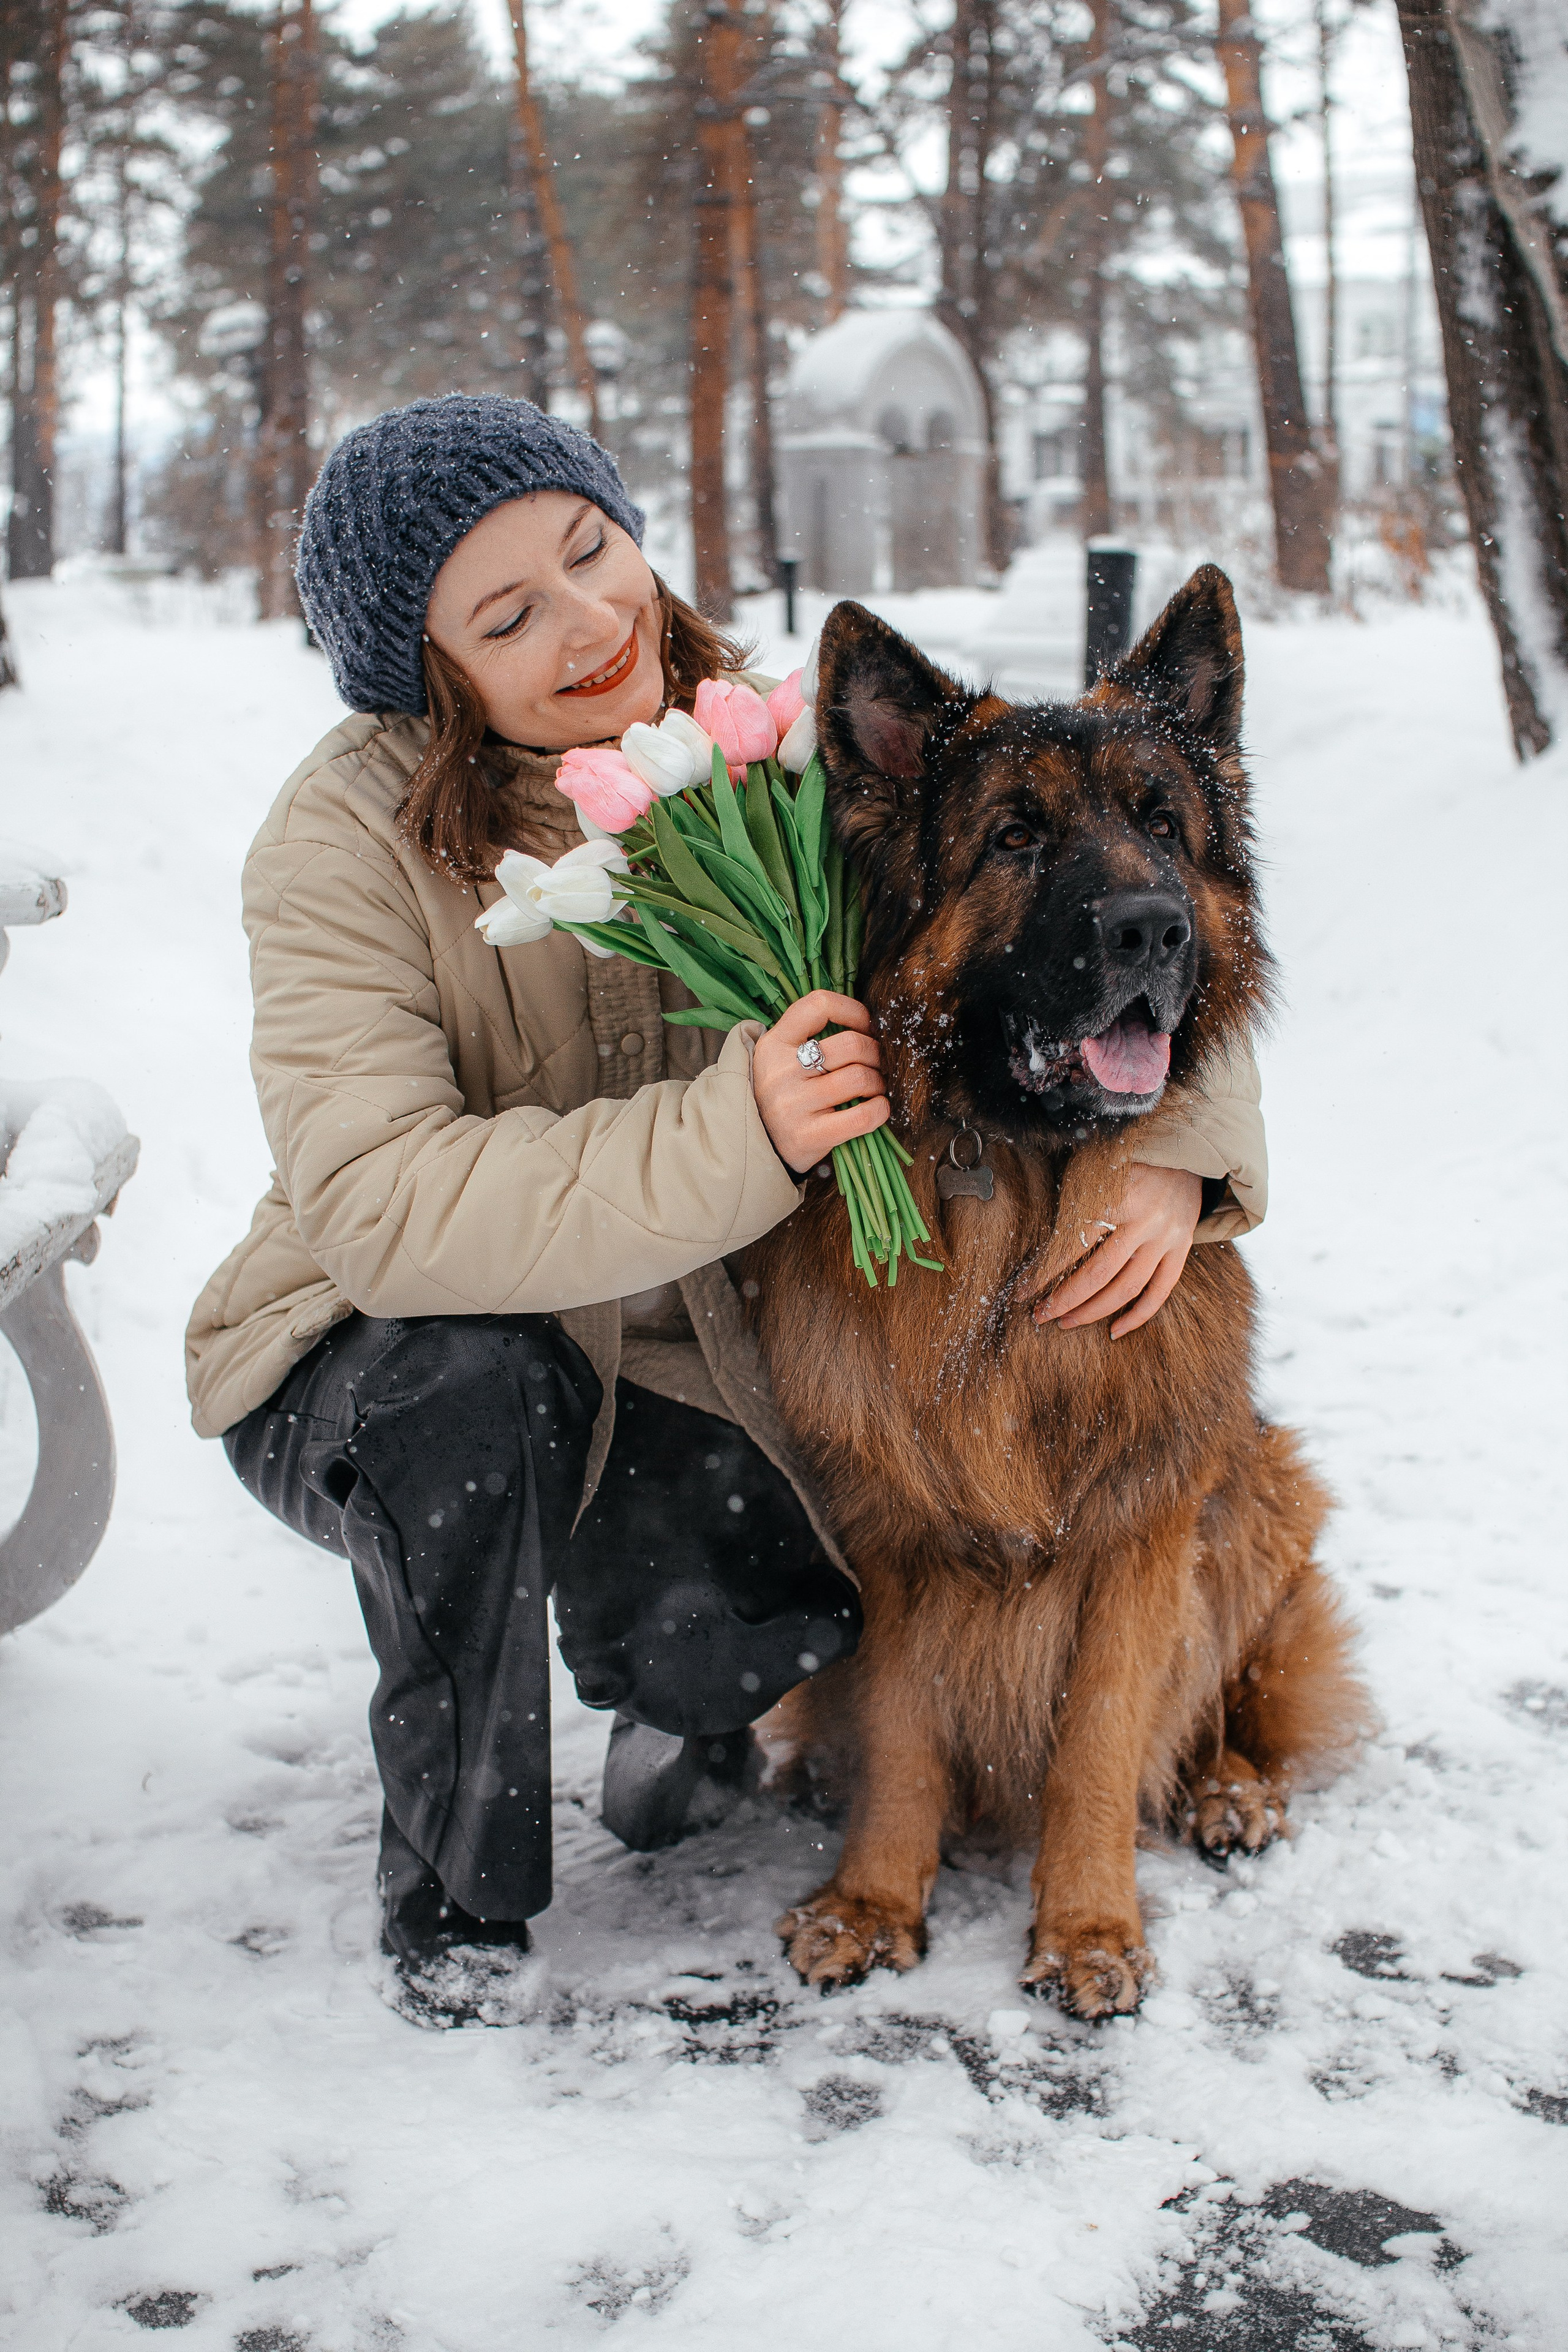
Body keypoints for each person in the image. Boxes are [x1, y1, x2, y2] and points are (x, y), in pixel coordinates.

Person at [186, 394, 1267, 2023]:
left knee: (750, 1626)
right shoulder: (342, 840)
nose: (591, 619)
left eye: (589, 551)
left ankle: (673, 1689)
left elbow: (1076, 898)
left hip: (682, 1354)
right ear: (431, 672)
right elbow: (382, 1204)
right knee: (471, 1405)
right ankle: (459, 1898)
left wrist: (1176, 1140)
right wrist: (735, 1134)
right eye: (508, 615)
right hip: (386, 1349)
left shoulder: (776, 743)